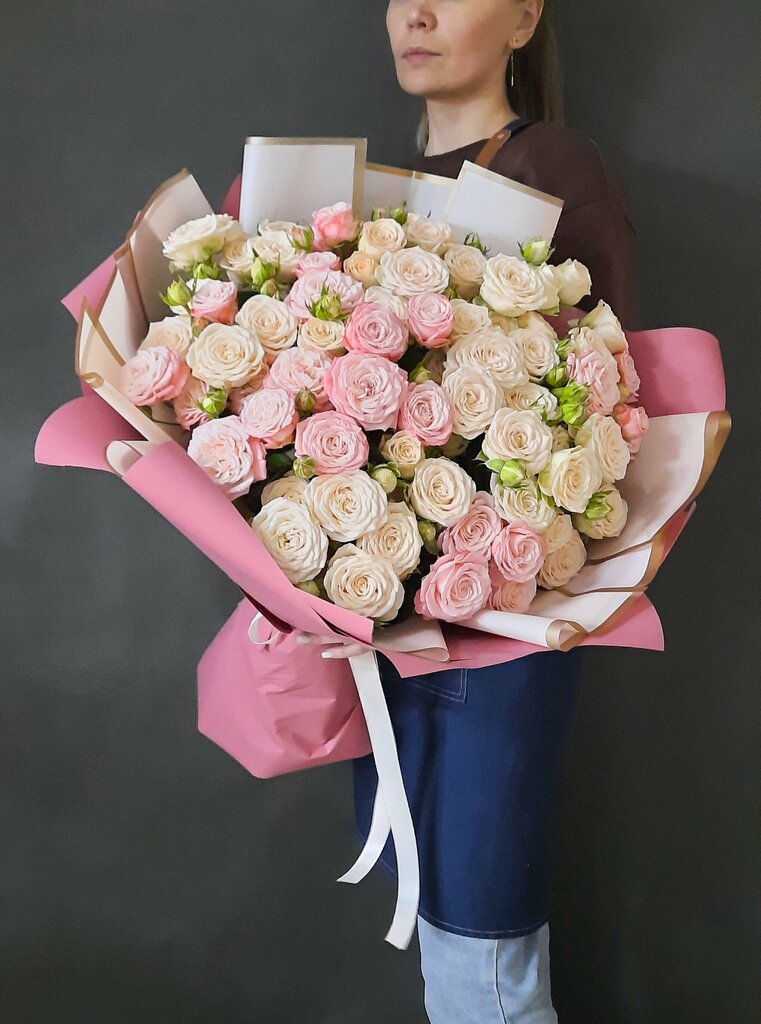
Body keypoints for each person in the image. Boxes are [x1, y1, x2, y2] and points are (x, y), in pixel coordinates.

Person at [300, 1, 641, 1021]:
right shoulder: (365, 200)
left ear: (524, 16)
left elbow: (619, 410)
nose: (414, 12)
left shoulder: (554, 168)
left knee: (485, 968)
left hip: (498, 639)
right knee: (446, 955)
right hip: (388, 630)